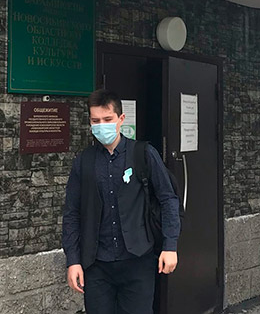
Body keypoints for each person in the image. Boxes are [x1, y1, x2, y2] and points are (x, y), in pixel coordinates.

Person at [62, 89, 180, 314]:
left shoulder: (143, 154)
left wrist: (170, 245)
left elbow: (168, 199)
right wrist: (73, 260)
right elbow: (72, 213)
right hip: (96, 265)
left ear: (121, 118)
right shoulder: (83, 162)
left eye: (108, 119)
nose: (102, 126)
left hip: (138, 261)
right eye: (96, 121)